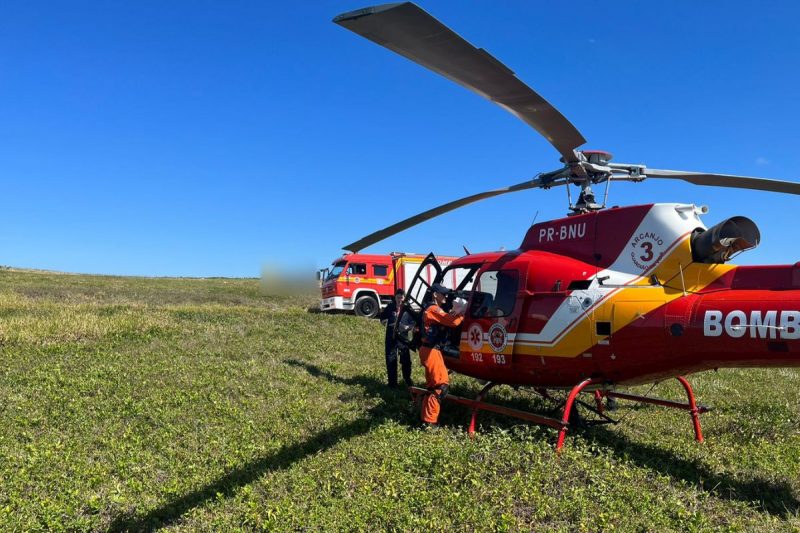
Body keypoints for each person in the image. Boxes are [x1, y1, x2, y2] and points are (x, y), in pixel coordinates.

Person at [419, 283, 464, 427]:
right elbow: (453, 322)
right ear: (435, 295)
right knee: (441, 386)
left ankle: (426, 420)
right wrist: (462, 313)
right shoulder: (433, 309)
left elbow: (445, 319)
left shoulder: (434, 309)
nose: (445, 296)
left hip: (431, 350)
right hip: (431, 350)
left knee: (432, 387)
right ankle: (430, 422)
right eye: (443, 293)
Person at [378, 288, 412, 388]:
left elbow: (413, 323)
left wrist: (407, 327)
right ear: (395, 297)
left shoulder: (408, 308)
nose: (399, 300)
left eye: (401, 298)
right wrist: (383, 321)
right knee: (391, 359)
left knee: (406, 360)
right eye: (398, 298)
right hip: (391, 337)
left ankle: (407, 380)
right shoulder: (390, 307)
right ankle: (392, 383)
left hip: (403, 337)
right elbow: (382, 317)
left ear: (404, 298)